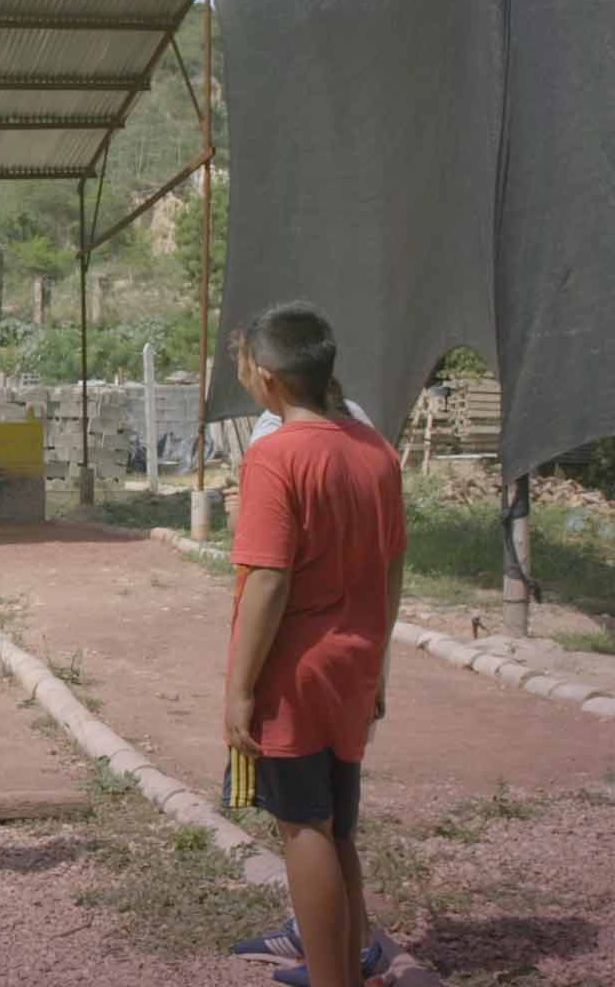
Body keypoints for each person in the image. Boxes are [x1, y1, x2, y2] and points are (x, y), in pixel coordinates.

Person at [222, 303, 406, 987]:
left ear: (267, 379)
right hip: (355, 662)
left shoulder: (275, 456)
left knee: (303, 826)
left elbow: (267, 579)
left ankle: (331, 977)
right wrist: (379, 660)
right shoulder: (375, 452)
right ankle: (347, 965)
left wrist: (240, 689)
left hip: (294, 668)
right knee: (338, 826)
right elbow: (393, 567)